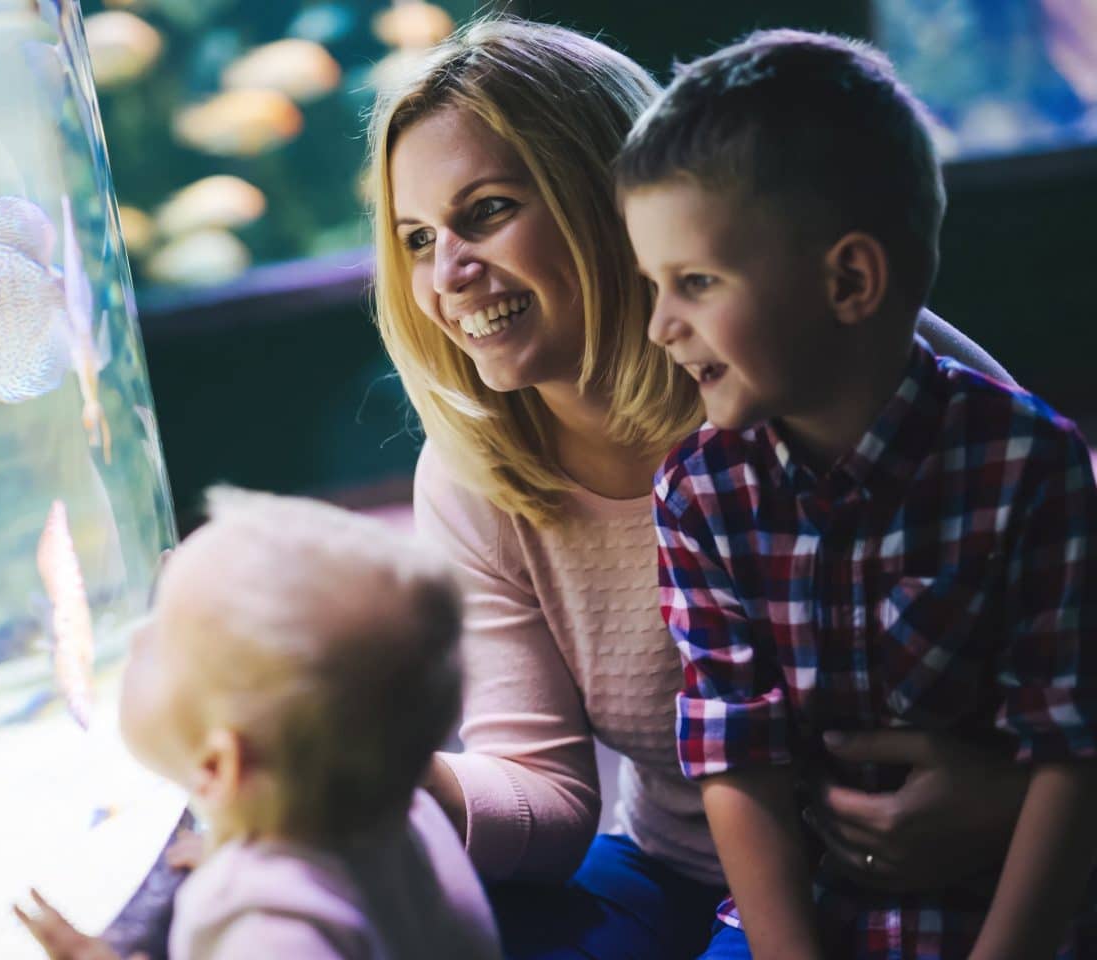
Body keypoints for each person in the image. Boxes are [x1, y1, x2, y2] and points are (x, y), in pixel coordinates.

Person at [369, 15, 1026, 959]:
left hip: (911, 872)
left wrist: (1006, 795)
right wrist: (398, 777)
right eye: (418, 238)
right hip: (674, 864)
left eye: (487, 212)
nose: (451, 274)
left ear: (618, 194)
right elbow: (548, 797)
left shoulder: (847, 357)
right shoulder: (472, 474)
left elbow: (1064, 598)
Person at [619, 29, 1097, 959]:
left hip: (1013, 909)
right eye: (652, 284)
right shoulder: (698, 492)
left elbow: (1071, 752)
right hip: (808, 915)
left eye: (697, 283)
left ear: (849, 280)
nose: (661, 326)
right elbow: (736, 760)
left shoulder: (1029, 465)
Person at [16, 488, 502, 960]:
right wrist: (235, 844)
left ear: (216, 767)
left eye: (162, 636)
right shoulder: (402, 816)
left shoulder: (268, 930)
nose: (139, 633)